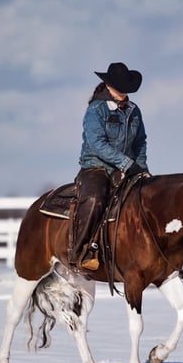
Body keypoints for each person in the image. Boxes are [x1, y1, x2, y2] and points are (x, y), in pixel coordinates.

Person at [70, 62, 149, 271]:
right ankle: (81, 251)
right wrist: (126, 163)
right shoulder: (96, 110)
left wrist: (141, 168)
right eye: (118, 86)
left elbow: (140, 141)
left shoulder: (134, 111)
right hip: (96, 167)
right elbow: (98, 144)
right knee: (95, 199)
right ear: (108, 86)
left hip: (127, 168)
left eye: (125, 87)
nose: (123, 91)